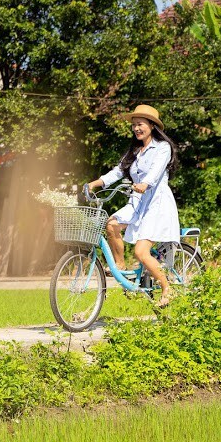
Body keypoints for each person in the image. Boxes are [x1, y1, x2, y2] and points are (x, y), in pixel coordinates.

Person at [87, 104, 180, 308]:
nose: (137, 128)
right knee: (111, 224)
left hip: (156, 203)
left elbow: (156, 171)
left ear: (152, 126)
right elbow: (118, 171)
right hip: (137, 202)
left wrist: (145, 183)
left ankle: (167, 288)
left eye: (141, 124)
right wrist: (96, 183)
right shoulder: (135, 150)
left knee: (141, 252)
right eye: (134, 125)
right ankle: (120, 266)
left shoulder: (162, 148)